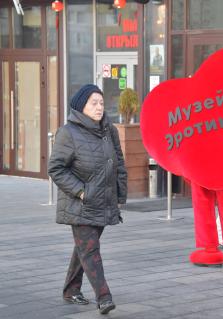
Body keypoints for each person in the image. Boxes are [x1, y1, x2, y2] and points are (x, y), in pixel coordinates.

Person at [48, 84, 127, 315]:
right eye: (94, 102)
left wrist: (120, 195)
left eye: (101, 102)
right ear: (81, 105)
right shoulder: (68, 132)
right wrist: (82, 192)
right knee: (90, 249)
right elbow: (56, 168)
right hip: (80, 203)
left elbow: (119, 164)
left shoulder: (108, 130)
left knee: (84, 248)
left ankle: (71, 289)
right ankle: (104, 297)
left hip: (104, 201)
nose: (99, 107)